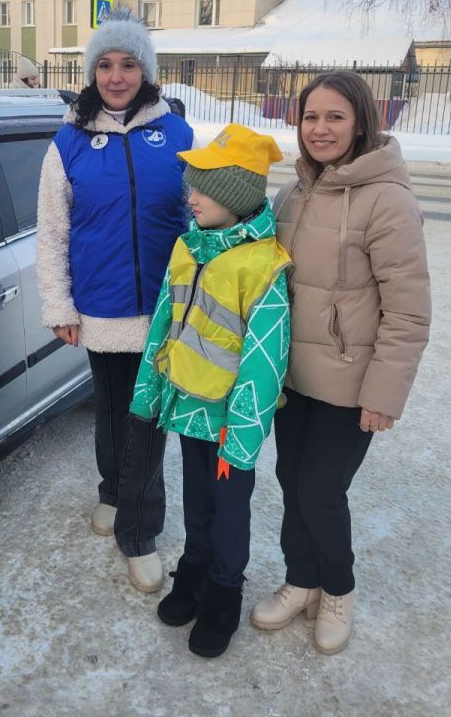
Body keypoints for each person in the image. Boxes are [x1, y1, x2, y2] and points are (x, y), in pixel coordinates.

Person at [251, 70, 431, 655]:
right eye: (310, 116)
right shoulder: (296, 191)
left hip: (350, 381)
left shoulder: (387, 198)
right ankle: (301, 579)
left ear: (360, 122)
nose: (320, 128)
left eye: (334, 116)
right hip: (290, 375)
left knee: (321, 490)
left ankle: (338, 590)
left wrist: (384, 394)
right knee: (288, 479)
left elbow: (408, 311)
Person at [36, 7, 193, 593]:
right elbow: (52, 230)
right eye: (105, 64)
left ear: (146, 71)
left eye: (129, 64)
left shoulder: (175, 134)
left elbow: (196, 214)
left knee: (147, 423)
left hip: (161, 308)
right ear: (92, 72)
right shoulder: (70, 140)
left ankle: (140, 529)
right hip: (99, 309)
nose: (117, 75)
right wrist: (59, 305)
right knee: (108, 416)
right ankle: (111, 490)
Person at [130, 124, 289, 658]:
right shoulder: (187, 247)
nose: (190, 197)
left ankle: (224, 586)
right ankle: (194, 568)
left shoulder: (263, 266)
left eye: (204, 188)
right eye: (191, 186)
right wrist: (148, 396)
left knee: (229, 509)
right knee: (196, 500)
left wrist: (240, 438)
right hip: (187, 410)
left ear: (236, 197)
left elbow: (264, 360)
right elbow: (163, 327)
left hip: (228, 423)